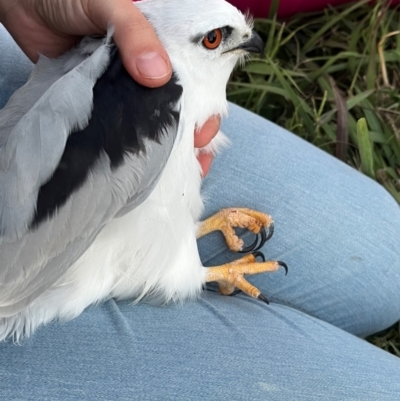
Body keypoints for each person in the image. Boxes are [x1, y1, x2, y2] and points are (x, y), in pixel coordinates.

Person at [1, 0, 400, 399]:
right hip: (31, 285)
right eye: (213, 39)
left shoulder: (137, 80)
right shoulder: (150, 99)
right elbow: (105, 264)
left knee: (385, 256)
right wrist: (201, 272)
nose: (248, 43)